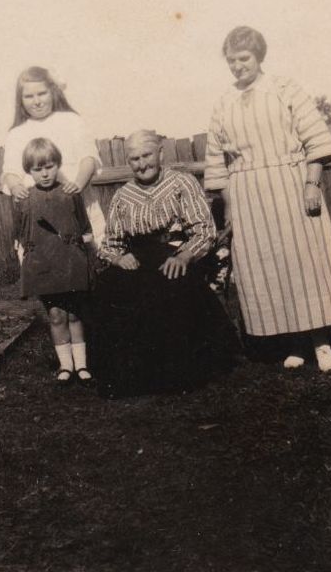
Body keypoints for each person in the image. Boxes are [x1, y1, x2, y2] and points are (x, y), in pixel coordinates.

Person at [204, 26, 331, 372]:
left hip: (290, 186)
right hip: (247, 196)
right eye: (232, 61)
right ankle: (294, 343)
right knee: (267, 267)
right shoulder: (223, 102)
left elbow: (316, 140)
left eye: (244, 58)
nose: (238, 66)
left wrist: (311, 185)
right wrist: (229, 205)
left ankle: (321, 342)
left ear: (259, 56)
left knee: (305, 263)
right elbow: (216, 161)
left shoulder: (285, 89)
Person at [91, 130, 235, 399]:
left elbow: (204, 231)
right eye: (134, 159)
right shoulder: (123, 195)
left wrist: (184, 256)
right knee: (110, 286)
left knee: (169, 285)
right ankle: (127, 377)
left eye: (146, 155)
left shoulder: (182, 182)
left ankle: (176, 374)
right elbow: (110, 243)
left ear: (160, 153)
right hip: (137, 258)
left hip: (175, 253)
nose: (142, 164)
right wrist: (119, 258)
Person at [14, 138, 95, 387]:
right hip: (44, 266)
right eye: (38, 169)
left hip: (71, 262)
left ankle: (81, 365)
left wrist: (88, 257)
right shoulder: (24, 198)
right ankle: (66, 367)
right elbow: (19, 235)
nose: (45, 173)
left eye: (49, 166)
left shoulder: (70, 193)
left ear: (57, 164)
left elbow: (85, 228)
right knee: (57, 316)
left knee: (74, 315)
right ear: (29, 171)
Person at [2, 66, 105, 247]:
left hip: (76, 204)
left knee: (88, 255)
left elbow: (88, 158)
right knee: (45, 261)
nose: (36, 101)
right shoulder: (16, 133)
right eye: (29, 96)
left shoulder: (72, 121)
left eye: (42, 94)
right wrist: (16, 186)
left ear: (53, 92)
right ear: (20, 100)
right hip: (39, 211)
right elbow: (10, 171)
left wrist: (78, 185)